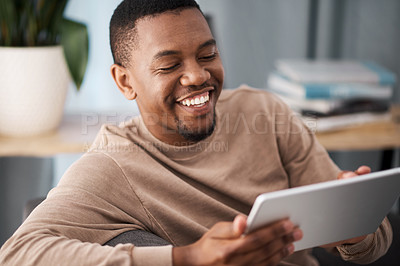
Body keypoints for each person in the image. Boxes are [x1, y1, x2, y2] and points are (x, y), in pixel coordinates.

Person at [0, 0, 392, 265]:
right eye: (169, 65)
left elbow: (370, 247)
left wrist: (355, 227)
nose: (198, 75)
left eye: (208, 55)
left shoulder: (265, 111)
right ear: (124, 82)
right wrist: (186, 258)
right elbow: (18, 253)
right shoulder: (113, 165)